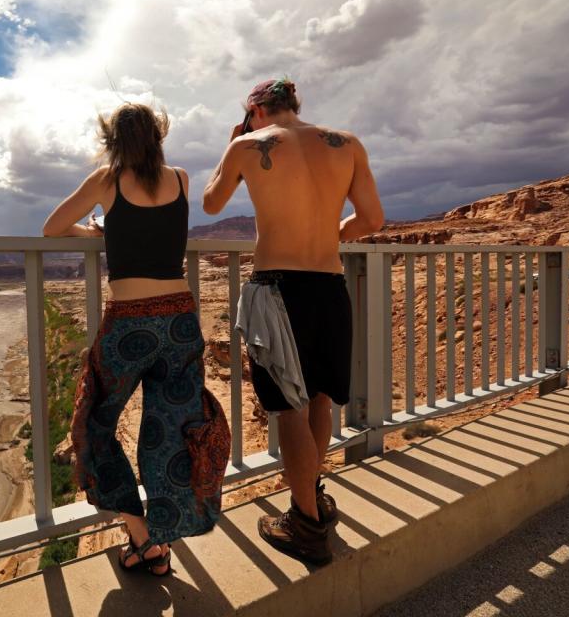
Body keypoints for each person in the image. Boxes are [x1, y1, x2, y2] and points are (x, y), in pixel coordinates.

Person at [202, 78, 384, 565]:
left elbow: (211, 204)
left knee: (289, 409)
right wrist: (331, 229)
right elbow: (372, 220)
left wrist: (233, 146)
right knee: (321, 399)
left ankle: (306, 524)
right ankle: (310, 496)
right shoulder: (346, 143)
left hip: (278, 287)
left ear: (256, 111)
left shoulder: (247, 144)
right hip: (329, 285)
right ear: (294, 105)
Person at [43, 103, 229, 576]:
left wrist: (98, 231)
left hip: (130, 324)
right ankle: (168, 534)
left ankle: (143, 540)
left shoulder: (106, 180)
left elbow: (52, 227)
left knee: (96, 423)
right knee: (172, 430)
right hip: (181, 321)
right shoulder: (183, 179)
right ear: (158, 137)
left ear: (113, 142)